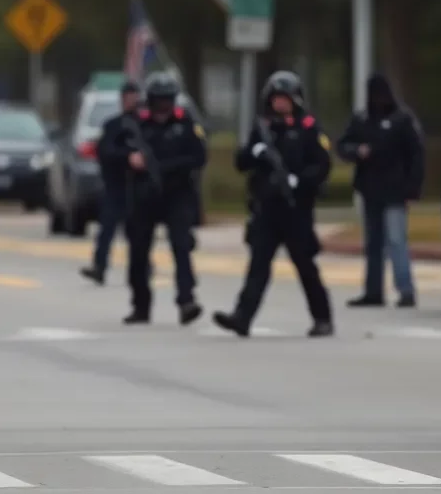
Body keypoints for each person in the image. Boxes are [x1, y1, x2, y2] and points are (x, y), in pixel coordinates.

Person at [213, 71, 333, 338]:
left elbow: (322, 165)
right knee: (258, 266)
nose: (280, 104)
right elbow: (240, 163)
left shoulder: (308, 128)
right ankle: (242, 318)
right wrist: (254, 153)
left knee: (305, 265)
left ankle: (322, 317)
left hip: (296, 210)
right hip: (266, 209)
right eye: (276, 99)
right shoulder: (262, 129)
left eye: (285, 99)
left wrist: (299, 181)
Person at [123, 71, 206, 325]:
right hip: (144, 196)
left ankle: (186, 300)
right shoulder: (136, 124)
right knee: (138, 251)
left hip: (177, 194)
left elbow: (199, 157)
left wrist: (167, 167)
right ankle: (141, 306)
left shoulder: (186, 123)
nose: (162, 107)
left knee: (181, 247)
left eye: (167, 100)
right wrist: (130, 159)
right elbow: (109, 150)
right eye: (158, 100)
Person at [336, 72, 425, 308]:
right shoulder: (362, 119)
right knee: (372, 243)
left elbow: (416, 155)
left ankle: (406, 290)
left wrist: (412, 188)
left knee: (396, 240)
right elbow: (342, 145)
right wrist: (357, 151)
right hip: (370, 189)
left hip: (395, 191)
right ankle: (373, 291)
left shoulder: (402, 120)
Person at [80, 79, 141, 285]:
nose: (131, 101)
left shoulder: (144, 125)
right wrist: (127, 157)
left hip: (138, 188)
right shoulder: (114, 125)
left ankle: (143, 267)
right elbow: (105, 152)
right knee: (106, 229)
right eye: (128, 97)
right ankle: (99, 267)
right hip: (116, 186)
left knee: (139, 232)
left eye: (134, 97)